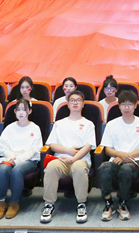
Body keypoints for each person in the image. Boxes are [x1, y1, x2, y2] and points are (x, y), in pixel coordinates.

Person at [97, 90, 139, 221]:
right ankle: (108, 202)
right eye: (123, 104)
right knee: (104, 168)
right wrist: (120, 154)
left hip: (137, 161)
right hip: (116, 159)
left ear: (135, 106)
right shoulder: (112, 124)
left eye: (130, 104)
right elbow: (107, 149)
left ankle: (122, 202)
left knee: (126, 169)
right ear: (119, 106)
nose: (126, 107)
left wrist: (127, 156)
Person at [42, 90, 96, 224]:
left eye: (78, 100)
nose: (75, 103)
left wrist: (74, 158)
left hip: (80, 159)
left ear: (83, 104)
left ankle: (81, 204)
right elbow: (52, 144)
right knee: (51, 168)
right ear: (67, 104)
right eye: (72, 100)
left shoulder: (88, 124)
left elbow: (89, 146)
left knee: (79, 168)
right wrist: (67, 151)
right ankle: (49, 204)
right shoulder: (59, 123)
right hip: (60, 159)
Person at [0, 99, 42, 220]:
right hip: (10, 158)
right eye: (18, 110)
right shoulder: (10, 128)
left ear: (29, 111)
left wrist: (18, 160)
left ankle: (14, 203)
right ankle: (1, 202)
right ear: (15, 111)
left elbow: (35, 150)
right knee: (2, 169)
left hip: (28, 161)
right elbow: (3, 145)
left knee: (17, 170)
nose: (21, 112)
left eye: (24, 109)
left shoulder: (35, 128)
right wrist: (11, 157)